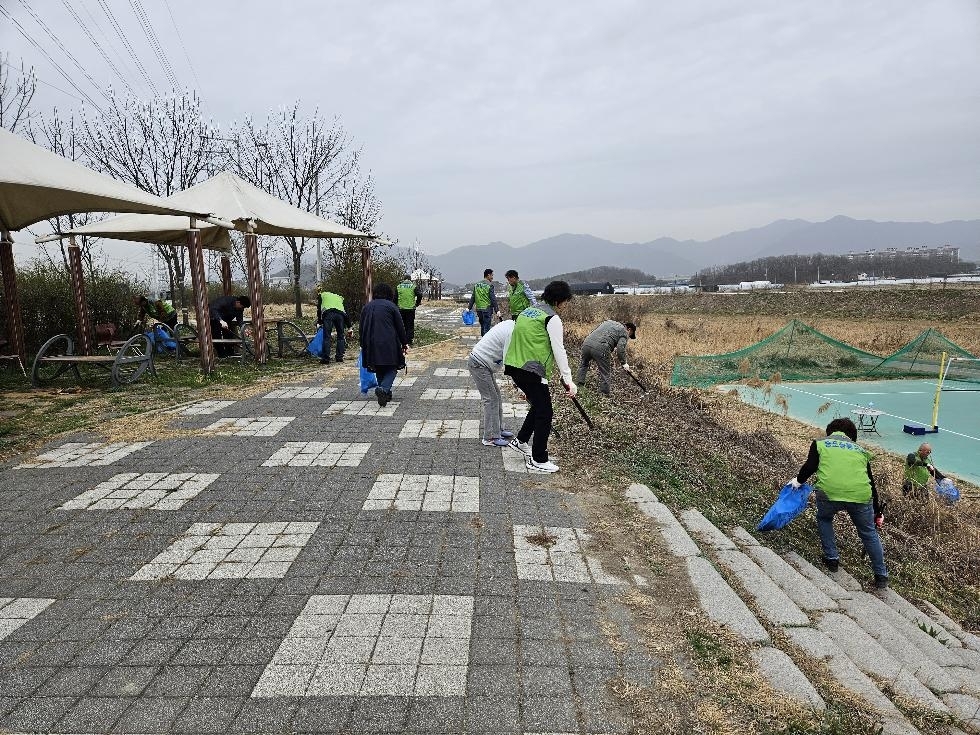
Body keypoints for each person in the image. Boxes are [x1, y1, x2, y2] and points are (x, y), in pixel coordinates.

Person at [789, 417, 887, 589]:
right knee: (868, 533)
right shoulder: (860, 450)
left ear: (831, 431)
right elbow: (871, 483)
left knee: (825, 519)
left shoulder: (820, 443)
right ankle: (881, 576)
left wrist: (798, 481)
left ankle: (832, 559)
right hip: (860, 495)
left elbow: (809, 467)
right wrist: (877, 510)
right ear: (852, 435)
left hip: (829, 492)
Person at [504, 280, 576, 473]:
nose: (566, 305)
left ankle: (521, 441)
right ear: (560, 300)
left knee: (538, 405)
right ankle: (538, 458)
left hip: (514, 365)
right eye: (566, 301)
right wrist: (568, 379)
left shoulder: (528, 311)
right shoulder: (552, 318)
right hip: (531, 370)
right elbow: (559, 350)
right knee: (545, 412)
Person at [468, 319, 517, 447]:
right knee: (490, 399)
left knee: (497, 396)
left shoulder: (512, 324)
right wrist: (518, 385)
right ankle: (489, 437)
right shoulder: (511, 333)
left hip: (484, 363)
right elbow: (509, 362)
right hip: (479, 364)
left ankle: (499, 429)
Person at [359, 283, 409, 407]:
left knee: (379, 367)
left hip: (369, 343)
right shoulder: (391, 307)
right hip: (389, 342)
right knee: (392, 367)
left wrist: (362, 344)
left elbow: (361, 327)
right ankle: (383, 389)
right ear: (389, 294)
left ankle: (385, 393)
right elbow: (400, 327)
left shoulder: (367, 307)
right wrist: (404, 342)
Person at [577, 320, 637, 396]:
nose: (629, 337)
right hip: (601, 348)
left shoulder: (608, 322)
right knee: (605, 372)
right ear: (629, 329)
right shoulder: (624, 332)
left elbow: (594, 331)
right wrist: (624, 363)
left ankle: (579, 384)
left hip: (586, 343)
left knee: (584, 364)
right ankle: (604, 393)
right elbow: (620, 349)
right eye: (630, 334)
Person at [316, 289, 352, 365]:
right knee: (341, 336)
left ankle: (326, 359)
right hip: (340, 315)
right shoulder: (340, 298)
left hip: (328, 314)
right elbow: (346, 313)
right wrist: (350, 327)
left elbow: (319, 309)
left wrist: (319, 322)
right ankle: (339, 358)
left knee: (327, 337)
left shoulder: (322, 295)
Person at [468, 268, 500, 336]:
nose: (492, 277)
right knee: (487, 327)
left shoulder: (477, 285)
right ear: (488, 275)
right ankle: (486, 343)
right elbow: (493, 298)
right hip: (487, 309)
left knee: (482, 326)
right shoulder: (489, 285)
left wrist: (469, 308)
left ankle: (483, 341)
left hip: (479, 309)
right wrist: (497, 310)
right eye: (492, 275)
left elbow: (473, 297)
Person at [396, 274, 423, 345]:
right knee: (410, 325)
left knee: (402, 324)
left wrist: (396, 306)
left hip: (401, 309)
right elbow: (419, 295)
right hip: (411, 309)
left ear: (403, 279)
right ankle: (409, 341)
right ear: (410, 280)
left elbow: (395, 297)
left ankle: (402, 339)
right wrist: (417, 303)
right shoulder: (413, 286)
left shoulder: (399, 287)